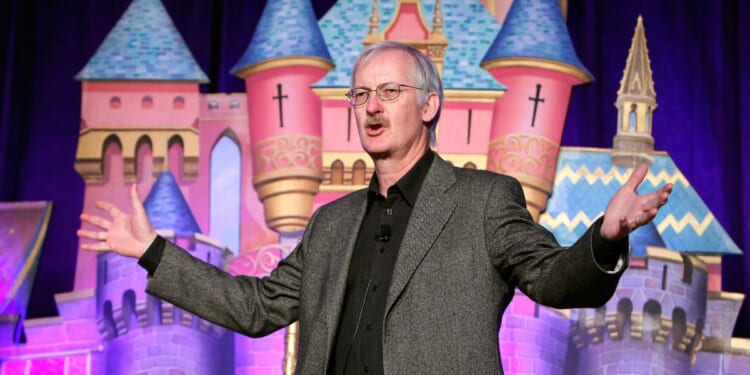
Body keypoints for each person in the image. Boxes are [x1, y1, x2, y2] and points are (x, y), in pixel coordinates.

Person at [78, 41, 672, 375]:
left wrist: (606, 236)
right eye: (360, 94)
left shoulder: (484, 200)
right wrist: (152, 252)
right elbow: (254, 307)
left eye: (390, 91)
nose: (371, 106)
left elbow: (556, 280)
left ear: (431, 104)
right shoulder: (331, 224)